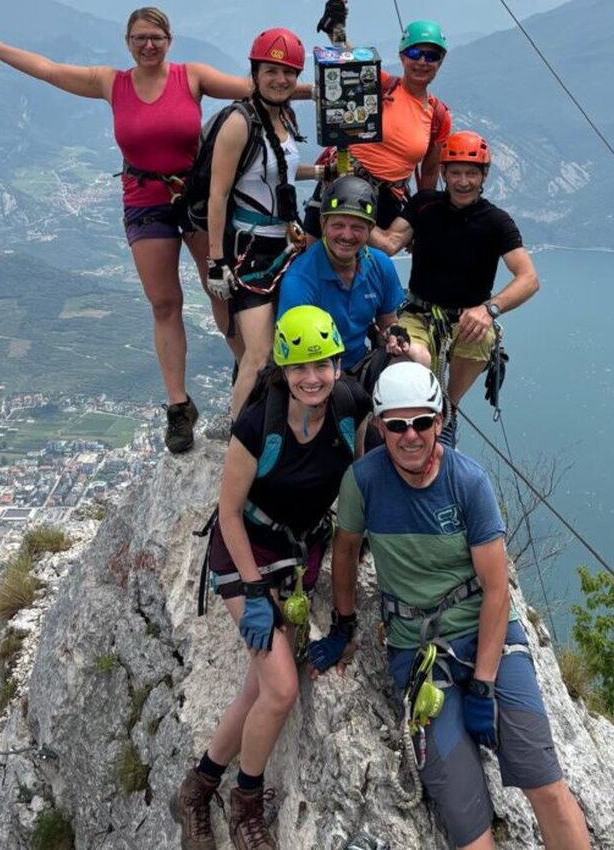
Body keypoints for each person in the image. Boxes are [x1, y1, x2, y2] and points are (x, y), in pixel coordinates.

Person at [0, 8, 260, 454]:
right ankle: (178, 407)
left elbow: (260, 88)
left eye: (155, 37)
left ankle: (249, 378)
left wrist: (323, 88)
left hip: (193, 198)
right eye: (139, 38)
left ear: (169, 40)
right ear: (128, 42)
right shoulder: (110, 83)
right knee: (164, 303)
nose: (148, 45)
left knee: (221, 291)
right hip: (144, 200)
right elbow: (50, 71)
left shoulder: (191, 77)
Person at [311, 362, 590, 850]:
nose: (410, 435)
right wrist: (343, 624)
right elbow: (346, 549)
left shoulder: (468, 483)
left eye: (421, 422)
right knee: (467, 823)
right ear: (380, 427)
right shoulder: (363, 482)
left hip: (491, 642)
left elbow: (496, 589)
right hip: (419, 653)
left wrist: (483, 684)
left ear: (439, 421)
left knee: (544, 783)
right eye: (396, 425)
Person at [174, 305, 371, 850]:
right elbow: (229, 512)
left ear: (337, 363)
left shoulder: (350, 407)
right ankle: (245, 807)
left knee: (260, 687)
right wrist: (255, 591)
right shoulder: (259, 422)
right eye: (299, 367)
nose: (312, 378)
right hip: (245, 552)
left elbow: (355, 479)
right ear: (282, 368)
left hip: (298, 552)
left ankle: (197, 787)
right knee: (281, 687)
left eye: (322, 364)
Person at [372, 130, 538, 428]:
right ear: (444, 174)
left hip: (468, 319)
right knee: (410, 355)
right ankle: (429, 409)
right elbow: (389, 242)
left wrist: (490, 309)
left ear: (483, 176)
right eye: (456, 173)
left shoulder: (496, 221)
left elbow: (528, 278)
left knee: (482, 337)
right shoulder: (424, 205)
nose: (463, 182)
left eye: (471, 173)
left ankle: (448, 409)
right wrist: (349, 214)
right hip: (419, 313)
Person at [203, 29, 325, 417]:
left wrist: (320, 173)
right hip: (250, 253)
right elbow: (218, 193)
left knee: (285, 347)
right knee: (257, 355)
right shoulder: (241, 122)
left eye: (289, 73)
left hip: (284, 246)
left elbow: (279, 174)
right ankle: (239, 441)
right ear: (255, 72)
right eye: (272, 70)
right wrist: (216, 261)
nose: (281, 80)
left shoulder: (283, 116)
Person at [305, 19, 452, 237]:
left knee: (367, 266)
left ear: (440, 63)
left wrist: (421, 214)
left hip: (386, 200)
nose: (422, 61)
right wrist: (334, 28)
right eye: (414, 53)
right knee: (317, 258)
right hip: (343, 179)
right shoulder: (381, 86)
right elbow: (353, 58)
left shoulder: (438, 116)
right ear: (402, 56)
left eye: (431, 56)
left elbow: (429, 172)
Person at [278, 175, 429, 381]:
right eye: (338, 225)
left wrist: (393, 335)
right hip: (317, 369)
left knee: (418, 356)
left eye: (357, 227)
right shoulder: (301, 280)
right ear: (323, 224)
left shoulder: (380, 264)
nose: (347, 236)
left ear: (370, 230)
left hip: (360, 365)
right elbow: (299, 357)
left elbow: (387, 323)